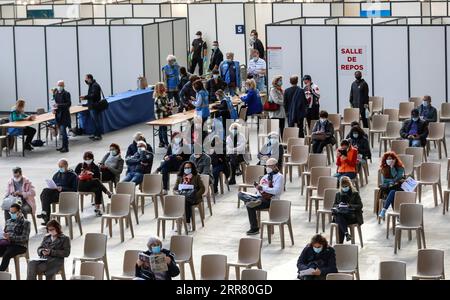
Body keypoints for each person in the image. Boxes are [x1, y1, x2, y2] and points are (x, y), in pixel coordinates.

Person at [237, 158, 284, 235]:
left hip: (271, 200)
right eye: (266, 166)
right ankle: (252, 200)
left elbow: (276, 191)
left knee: (249, 206)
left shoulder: (279, 177)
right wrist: (258, 188)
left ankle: (254, 228)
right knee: (240, 194)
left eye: (270, 166)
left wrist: (263, 188)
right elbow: (259, 191)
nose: (267, 167)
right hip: (259, 197)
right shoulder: (265, 177)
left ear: (275, 166)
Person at [38, 159, 78, 225]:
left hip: (66, 195)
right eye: (59, 167)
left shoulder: (72, 175)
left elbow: (74, 190)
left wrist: (62, 188)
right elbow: (53, 184)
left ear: (66, 165)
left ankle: (45, 216)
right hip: (56, 194)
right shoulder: (56, 175)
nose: (60, 168)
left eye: (62, 166)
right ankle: (45, 216)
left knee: (45, 195)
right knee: (45, 193)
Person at [75, 151, 112, 216]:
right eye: (86, 159)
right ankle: (108, 192)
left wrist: (90, 174)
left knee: (98, 189)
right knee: (97, 181)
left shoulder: (95, 167)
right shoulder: (80, 165)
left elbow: (97, 177)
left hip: (90, 185)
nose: (87, 160)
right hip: (81, 185)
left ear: (92, 159)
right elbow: (75, 175)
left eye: (89, 159)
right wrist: (81, 174)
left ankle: (97, 209)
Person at [174, 162, 205, 231]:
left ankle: (187, 223)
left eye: (188, 168)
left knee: (185, 201)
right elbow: (174, 189)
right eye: (185, 168)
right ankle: (179, 223)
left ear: (192, 168)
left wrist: (195, 195)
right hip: (182, 197)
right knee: (181, 201)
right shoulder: (180, 177)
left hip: (193, 198)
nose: (187, 169)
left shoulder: (196, 176)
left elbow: (202, 188)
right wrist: (178, 194)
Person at [332, 176, 363, 243]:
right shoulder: (338, 194)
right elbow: (334, 205)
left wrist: (350, 206)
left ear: (349, 185)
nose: (345, 187)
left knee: (339, 219)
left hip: (352, 216)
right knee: (339, 216)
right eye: (343, 186)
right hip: (341, 214)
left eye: (346, 186)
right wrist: (339, 205)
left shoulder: (355, 193)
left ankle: (341, 243)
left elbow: (360, 205)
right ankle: (346, 234)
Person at [0, 203, 30, 272]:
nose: (12, 214)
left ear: (19, 212)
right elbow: (4, 233)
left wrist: (10, 237)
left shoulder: (26, 222)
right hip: (8, 244)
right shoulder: (8, 221)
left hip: (20, 246)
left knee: (7, 254)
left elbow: (24, 238)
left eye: (14, 212)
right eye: (11, 212)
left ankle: (1, 271)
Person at [378, 152, 405, 219]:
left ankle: (384, 210)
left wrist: (392, 167)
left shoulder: (400, 168)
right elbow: (384, 181)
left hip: (399, 187)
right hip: (388, 188)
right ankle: (397, 215)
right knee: (393, 192)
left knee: (393, 192)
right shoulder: (384, 169)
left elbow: (397, 177)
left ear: (394, 159)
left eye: (390, 159)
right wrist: (392, 181)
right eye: (387, 159)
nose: (389, 160)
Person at [80, 74, 103, 140]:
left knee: (96, 121)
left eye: (86, 79)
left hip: (94, 106)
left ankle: (98, 135)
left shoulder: (95, 85)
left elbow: (93, 95)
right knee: (93, 121)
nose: (85, 80)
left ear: (90, 79)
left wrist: (85, 97)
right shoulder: (91, 85)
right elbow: (90, 95)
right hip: (91, 106)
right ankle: (95, 134)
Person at [52, 80, 71, 153]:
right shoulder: (56, 94)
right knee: (61, 133)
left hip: (64, 116)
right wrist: (54, 109)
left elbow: (68, 104)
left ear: (63, 86)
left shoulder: (66, 93)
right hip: (58, 115)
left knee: (63, 132)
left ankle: (66, 147)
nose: (59, 87)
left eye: (61, 85)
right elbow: (56, 104)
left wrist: (59, 105)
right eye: (58, 85)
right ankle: (63, 146)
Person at [154, 82, 172, 148]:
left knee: (161, 128)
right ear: (159, 89)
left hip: (165, 114)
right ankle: (166, 144)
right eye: (162, 87)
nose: (164, 88)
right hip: (160, 115)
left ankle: (161, 142)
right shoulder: (158, 97)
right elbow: (161, 107)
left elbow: (166, 103)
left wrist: (169, 106)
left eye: (164, 87)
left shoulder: (165, 95)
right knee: (164, 129)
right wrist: (168, 109)